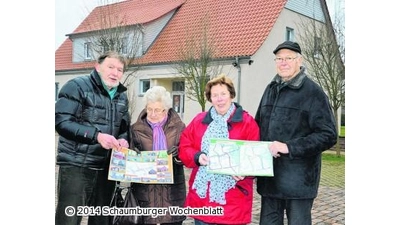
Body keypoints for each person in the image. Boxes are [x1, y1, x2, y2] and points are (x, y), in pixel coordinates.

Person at [255, 41, 337, 225]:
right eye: (279, 58)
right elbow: (257, 126)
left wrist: (289, 147)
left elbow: (328, 134)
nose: (283, 62)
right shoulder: (271, 89)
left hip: (299, 183)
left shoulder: (313, 92)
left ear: (299, 60)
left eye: (289, 58)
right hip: (270, 181)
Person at [55, 51, 130, 225]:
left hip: (107, 168)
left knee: (102, 219)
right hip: (77, 165)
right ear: (97, 67)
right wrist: (96, 136)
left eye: (120, 69)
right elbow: (62, 122)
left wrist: (124, 139)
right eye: (110, 67)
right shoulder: (77, 86)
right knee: (69, 218)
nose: (115, 73)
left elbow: (124, 128)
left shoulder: (122, 96)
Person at [179, 74, 260, 225]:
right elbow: (184, 147)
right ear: (210, 98)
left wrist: (245, 171)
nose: (219, 98)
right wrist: (197, 156)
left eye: (223, 94)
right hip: (203, 200)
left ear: (231, 95)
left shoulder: (247, 123)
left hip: (233, 199)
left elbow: (255, 157)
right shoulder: (199, 121)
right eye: (214, 95)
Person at [130, 86, 187, 225]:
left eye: (157, 110)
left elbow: (187, 155)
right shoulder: (135, 129)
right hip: (145, 194)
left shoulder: (179, 127)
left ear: (166, 110)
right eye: (149, 109)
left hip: (172, 193)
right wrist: (133, 156)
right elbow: (128, 157)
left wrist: (179, 155)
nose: (152, 113)